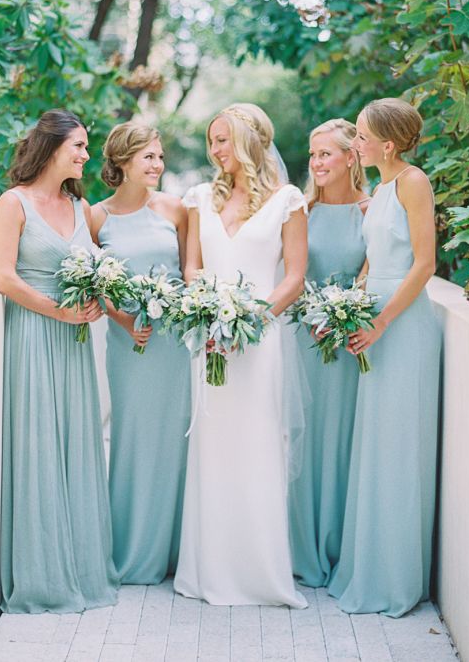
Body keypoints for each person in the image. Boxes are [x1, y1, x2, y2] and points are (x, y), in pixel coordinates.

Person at [174, 102, 308, 608]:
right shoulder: (198, 198)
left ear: (250, 140)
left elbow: (293, 277)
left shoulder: (288, 201)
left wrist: (249, 322)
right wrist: (208, 314)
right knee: (211, 447)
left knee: (256, 445)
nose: (214, 150)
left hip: (258, 342)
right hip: (208, 340)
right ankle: (207, 570)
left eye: (222, 139)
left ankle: (259, 574)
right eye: (211, 141)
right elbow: (192, 267)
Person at [0, 109, 118, 613]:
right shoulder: (13, 203)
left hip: (75, 343)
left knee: (76, 444)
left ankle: (82, 566)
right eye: (80, 146)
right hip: (34, 336)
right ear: (52, 147)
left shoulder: (78, 203)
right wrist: (58, 312)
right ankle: (43, 575)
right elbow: (3, 277)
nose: (87, 155)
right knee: (40, 445)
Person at [328, 97, 441, 618]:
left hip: (402, 324)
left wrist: (380, 321)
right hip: (371, 321)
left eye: (362, 136)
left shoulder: (414, 182)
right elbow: (374, 258)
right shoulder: (380, 188)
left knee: (399, 446)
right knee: (374, 443)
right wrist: (349, 305)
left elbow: (423, 264)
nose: (356, 143)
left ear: (388, 145)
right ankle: (367, 566)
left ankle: (395, 578)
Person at [90, 122, 190, 584]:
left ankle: (177, 551)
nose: (157, 165)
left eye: (160, 157)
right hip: (129, 344)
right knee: (133, 439)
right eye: (148, 157)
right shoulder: (95, 218)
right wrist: (124, 319)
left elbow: (192, 275)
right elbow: (90, 281)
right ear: (123, 161)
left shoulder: (176, 209)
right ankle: (131, 550)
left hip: (175, 343)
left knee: (177, 440)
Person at [288, 119, 369, 588]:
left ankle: (339, 545)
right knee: (306, 437)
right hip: (305, 339)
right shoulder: (302, 210)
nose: (316, 163)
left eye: (326, 154)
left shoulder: (371, 210)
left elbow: (371, 270)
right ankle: (301, 547)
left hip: (348, 340)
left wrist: (342, 315)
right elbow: (290, 271)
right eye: (313, 155)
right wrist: (311, 313)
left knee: (342, 441)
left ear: (351, 157)